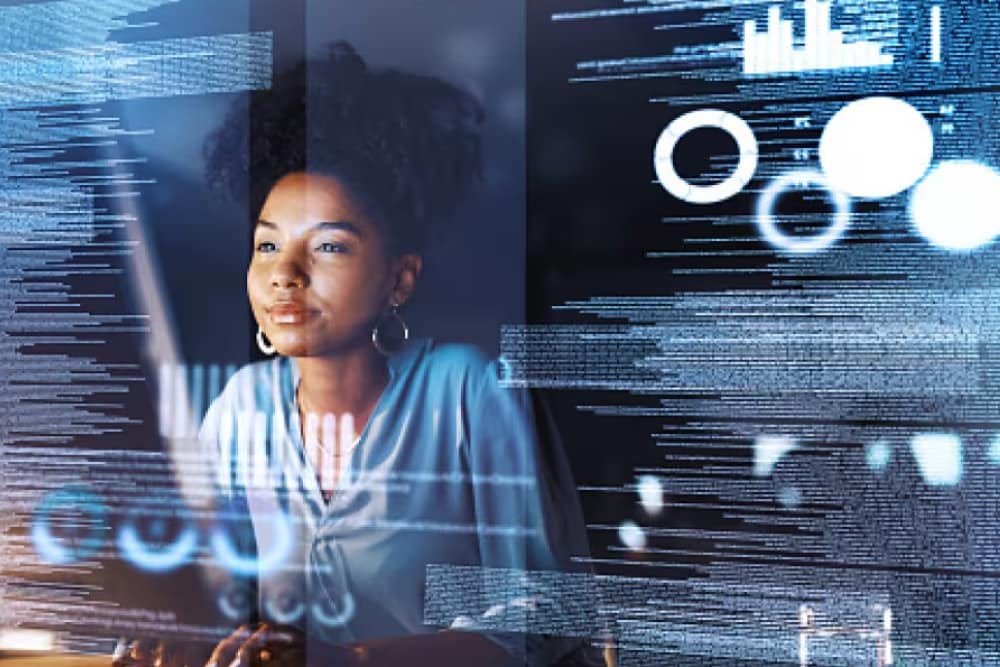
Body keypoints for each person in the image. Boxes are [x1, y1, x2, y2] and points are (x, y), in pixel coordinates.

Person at [112, 42, 601, 667]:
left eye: (329, 248)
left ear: (399, 279)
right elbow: (216, 591)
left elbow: (544, 614)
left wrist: (351, 660)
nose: (284, 275)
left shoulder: (472, 390)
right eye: (266, 248)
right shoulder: (241, 407)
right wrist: (182, 633)